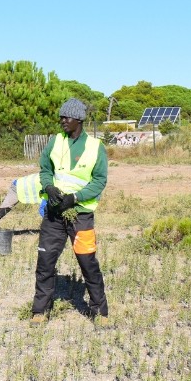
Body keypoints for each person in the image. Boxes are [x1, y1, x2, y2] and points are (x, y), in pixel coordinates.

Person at [31, 98, 109, 327]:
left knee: (88, 263)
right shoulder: (54, 142)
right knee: (45, 262)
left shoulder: (96, 147)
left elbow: (99, 181)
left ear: (79, 119)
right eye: (61, 117)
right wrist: (49, 187)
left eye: (67, 117)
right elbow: (45, 170)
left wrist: (74, 198)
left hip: (80, 216)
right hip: (54, 215)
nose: (62, 121)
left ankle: (100, 312)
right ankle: (39, 310)